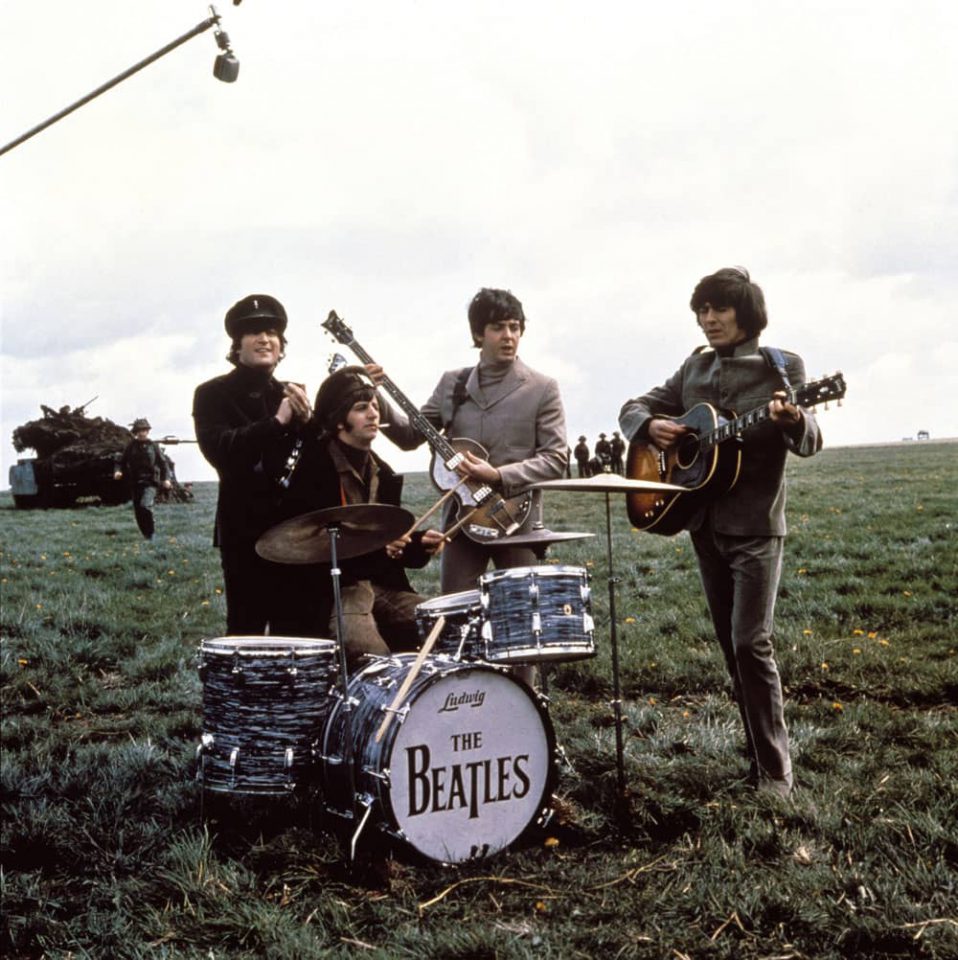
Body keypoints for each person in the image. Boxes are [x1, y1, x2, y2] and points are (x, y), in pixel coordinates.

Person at [618, 267, 822, 798]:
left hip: (755, 526)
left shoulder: (783, 367)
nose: (709, 320)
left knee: (751, 643)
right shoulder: (694, 366)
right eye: (702, 311)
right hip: (704, 526)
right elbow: (633, 407)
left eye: (719, 310)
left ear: (746, 313)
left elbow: (811, 439)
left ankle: (778, 773)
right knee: (732, 651)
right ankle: (755, 761)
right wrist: (648, 426)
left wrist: (793, 420)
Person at [377, 287, 568, 594]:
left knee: (524, 615)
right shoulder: (452, 383)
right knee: (455, 614)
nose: (508, 335)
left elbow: (556, 459)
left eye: (515, 327)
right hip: (460, 525)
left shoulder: (543, 388)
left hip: (516, 523)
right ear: (478, 334)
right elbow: (410, 436)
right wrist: (375, 393)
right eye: (498, 327)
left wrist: (497, 475)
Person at [281, 367, 443, 663]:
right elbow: (308, 549)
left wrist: (418, 545)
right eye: (361, 408)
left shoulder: (384, 473)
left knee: (445, 625)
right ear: (339, 419)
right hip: (334, 589)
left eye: (374, 406)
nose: (373, 414)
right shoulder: (313, 470)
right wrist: (380, 549)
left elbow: (390, 552)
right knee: (371, 655)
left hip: (380, 586)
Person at [192, 294, 314, 636]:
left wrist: (311, 424)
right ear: (237, 344)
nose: (265, 339)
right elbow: (220, 450)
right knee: (245, 629)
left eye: (272, 332)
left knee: (293, 630)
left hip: (293, 531)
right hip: (243, 531)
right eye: (254, 332)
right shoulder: (212, 393)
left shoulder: (292, 393)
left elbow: (311, 459)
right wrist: (277, 423)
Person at [114, 418, 171, 540]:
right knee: (138, 511)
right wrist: (118, 471)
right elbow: (121, 461)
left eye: (144, 430)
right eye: (139, 430)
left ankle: (151, 534)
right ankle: (146, 535)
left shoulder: (154, 446)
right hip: (135, 482)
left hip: (150, 482)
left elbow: (163, 464)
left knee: (145, 506)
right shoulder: (131, 446)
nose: (141, 433)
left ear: (148, 431)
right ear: (135, 432)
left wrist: (166, 479)